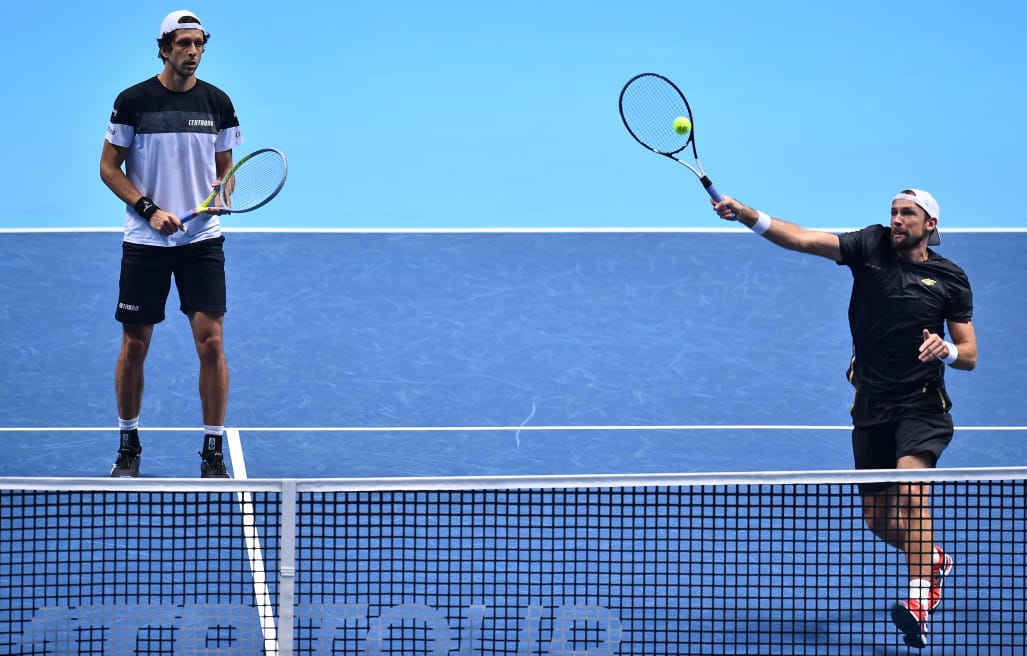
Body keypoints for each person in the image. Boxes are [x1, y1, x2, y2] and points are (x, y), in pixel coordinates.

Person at [712, 189, 977, 649]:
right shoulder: (868, 245)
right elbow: (801, 239)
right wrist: (746, 215)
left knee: (911, 495)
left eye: (907, 214)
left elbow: (970, 355)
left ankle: (918, 603)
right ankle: (932, 560)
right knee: (877, 520)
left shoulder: (950, 279)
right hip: (871, 404)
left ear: (930, 224)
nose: (896, 220)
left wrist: (947, 350)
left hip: (922, 406)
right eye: (893, 212)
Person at [100, 10, 244, 478]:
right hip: (145, 241)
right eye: (183, 44)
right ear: (163, 48)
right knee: (136, 344)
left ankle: (212, 451)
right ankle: (128, 444)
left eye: (199, 44)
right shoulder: (132, 102)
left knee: (211, 344)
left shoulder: (218, 103)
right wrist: (149, 210)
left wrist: (222, 194)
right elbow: (108, 167)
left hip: (201, 239)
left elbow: (227, 170)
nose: (192, 52)